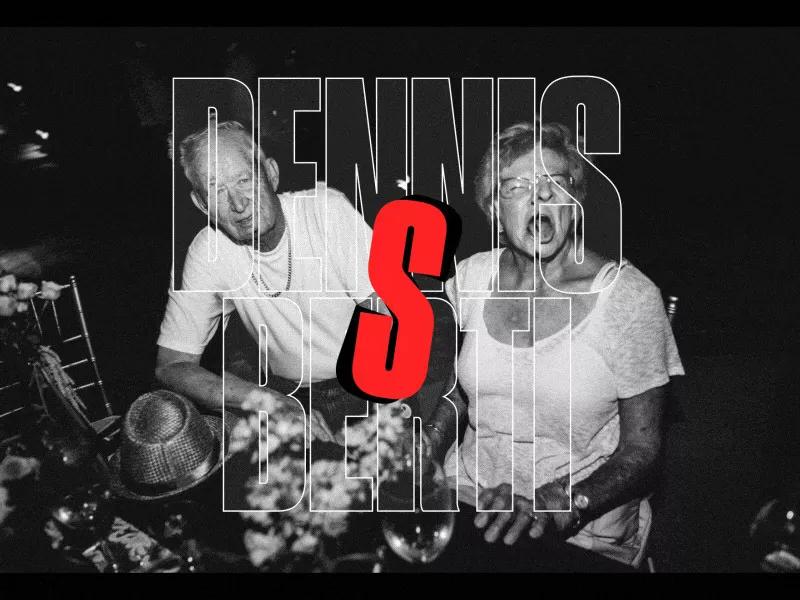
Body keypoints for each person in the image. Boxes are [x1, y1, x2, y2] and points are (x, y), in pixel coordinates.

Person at [420, 121, 684, 567]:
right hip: (469, 500)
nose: (538, 196)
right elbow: (460, 389)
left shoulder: (630, 298)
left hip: (580, 531)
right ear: (495, 211)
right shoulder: (471, 278)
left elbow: (642, 451)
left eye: (554, 183)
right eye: (516, 186)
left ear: (575, 203)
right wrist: (429, 440)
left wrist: (557, 504)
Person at [155, 120, 378, 442]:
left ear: (271, 173)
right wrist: (268, 402)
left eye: (244, 180)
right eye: (217, 190)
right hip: (287, 394)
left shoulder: (326, 212)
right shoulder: (207, 253)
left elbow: (390, 313)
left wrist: (384, 408)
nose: (238, 204)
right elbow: (172, 364)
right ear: (201, 204)